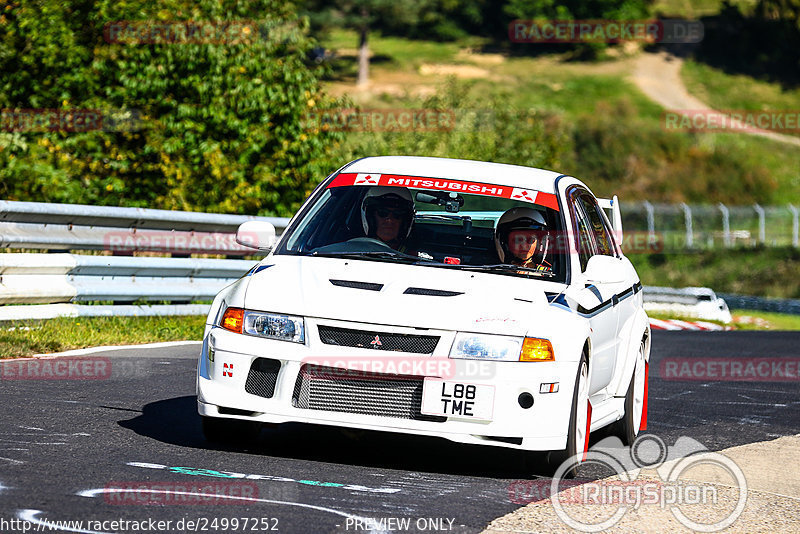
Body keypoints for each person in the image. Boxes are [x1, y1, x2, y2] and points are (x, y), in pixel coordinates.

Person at [494, 207, 553, 273]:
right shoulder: (489, 271)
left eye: (530, 240)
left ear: (540, 243)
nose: (524, 246)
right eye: (518, 240)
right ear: (505, 243)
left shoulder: (549, 276)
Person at [360, 187, 415, 251]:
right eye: (383, 213)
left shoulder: (413, 258)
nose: (390, 220)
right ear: (371, 218)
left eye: (397, 214)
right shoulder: (353, 250)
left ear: (404, 222)